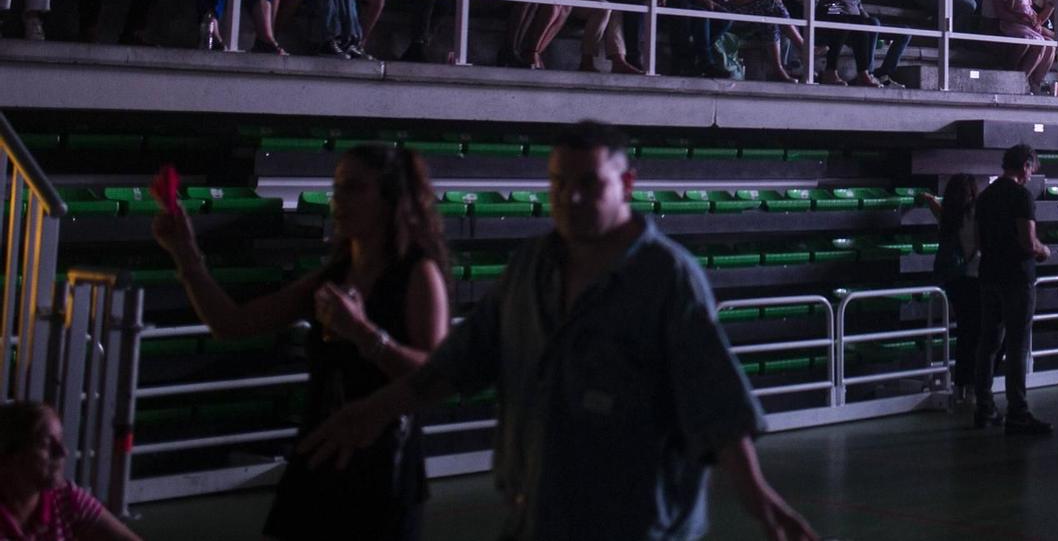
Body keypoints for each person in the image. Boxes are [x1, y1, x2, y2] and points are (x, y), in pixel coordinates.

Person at [301, 123, 816, 541]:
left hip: (636, 526)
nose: (571, 198)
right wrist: (374, 411)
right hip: (537, 517)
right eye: (558, 183)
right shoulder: (530, 266)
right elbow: (455, 363)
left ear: (627, 185)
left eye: (589, 184)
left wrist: (756, 496)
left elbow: (715, 399)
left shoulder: (666, 278)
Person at [152, 145, 450, 539]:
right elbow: (232, 323)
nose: (338, 200)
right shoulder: (331, 278)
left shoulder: (417, 274)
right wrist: (187, 257)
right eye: (337, 187)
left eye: (354, 188)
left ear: (390, 198)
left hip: (383, 472)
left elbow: (439, 377)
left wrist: (363, 332)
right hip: (318, 462)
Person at [970, 144, 1053, 436]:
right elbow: (1028, 242)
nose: (1031, 175)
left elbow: (978, 241)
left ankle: (984, 406)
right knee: (1017, 345)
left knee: (988, 343)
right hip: (1017, 278)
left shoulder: (986, 196)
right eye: (1032, 169)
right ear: (1026, 165)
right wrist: (1044, 251)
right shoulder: (1021, 196)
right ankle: (1017, 411)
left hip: (989, 274)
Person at [0, 401, 142, 541]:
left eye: (60, 439)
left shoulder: (65, 498)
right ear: (8, 457)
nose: (63, 451)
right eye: (45, 444)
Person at [919, 175, 981, 406]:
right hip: (969, 277)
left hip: (950, 278)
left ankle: (961, 387)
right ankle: (971, 386)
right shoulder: (970, 216)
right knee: (972, 334)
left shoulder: (948, 216)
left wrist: (926, 197)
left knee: (965, 333)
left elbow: (936, 206)